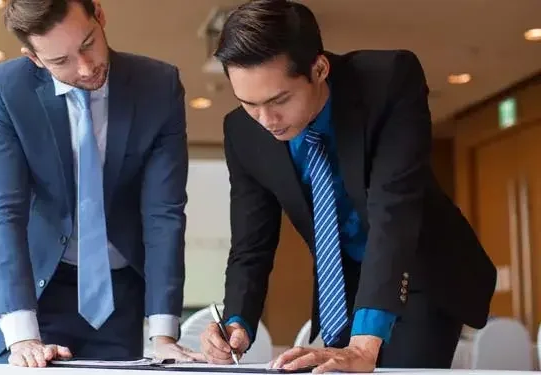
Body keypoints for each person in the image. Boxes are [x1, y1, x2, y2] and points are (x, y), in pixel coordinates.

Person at [198, 0, 496, 372]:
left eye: (279, 100)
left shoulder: (387, 82)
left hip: (419, 269)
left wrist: (363, 345)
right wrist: (237, 322)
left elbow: (394, 210)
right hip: (343, 283)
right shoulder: (242, 132)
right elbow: (250, 244)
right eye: (249, 104)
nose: (266, 120)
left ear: (319, 68)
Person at [0, 0, 194, 367]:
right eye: (61, 61)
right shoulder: (7, 91)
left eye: (88, 43)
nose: (86, 67)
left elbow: (164, 213)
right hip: (36, 293)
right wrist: (23, 337)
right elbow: (1, 213)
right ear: (34, 58)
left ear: (100, 16)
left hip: (117, 297)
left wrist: (164, 335)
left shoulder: (159, 87)